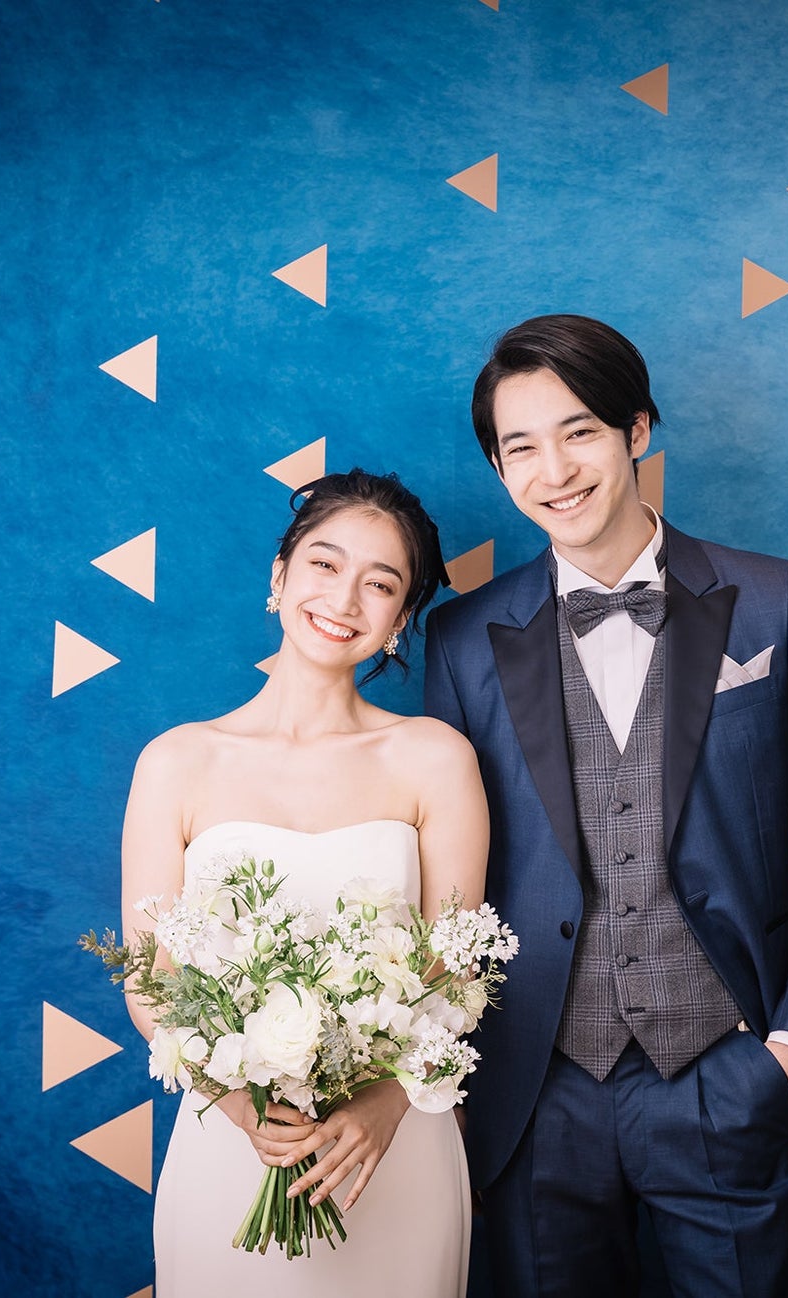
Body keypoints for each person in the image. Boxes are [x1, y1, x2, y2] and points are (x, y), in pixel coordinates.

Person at [423, 315, 788, 1296]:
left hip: (727, 1071)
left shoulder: (770, 599)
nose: (554, 470)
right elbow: (446, 889)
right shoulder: (462, 640)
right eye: (520, 447)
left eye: (579, 431)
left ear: (636, 429)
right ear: (498, 468)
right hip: (535, 1091)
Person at [119, 469, 485, 1296]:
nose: (344, 599)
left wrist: (386, 1103)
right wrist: (244, 1107)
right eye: (325, 564)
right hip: (230, 1143)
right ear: (280, 575)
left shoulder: (435, 759)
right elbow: (151, 981)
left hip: (392, 1148)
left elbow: (455, 970)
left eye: (380, 584)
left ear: (401, 618)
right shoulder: (177, 761)